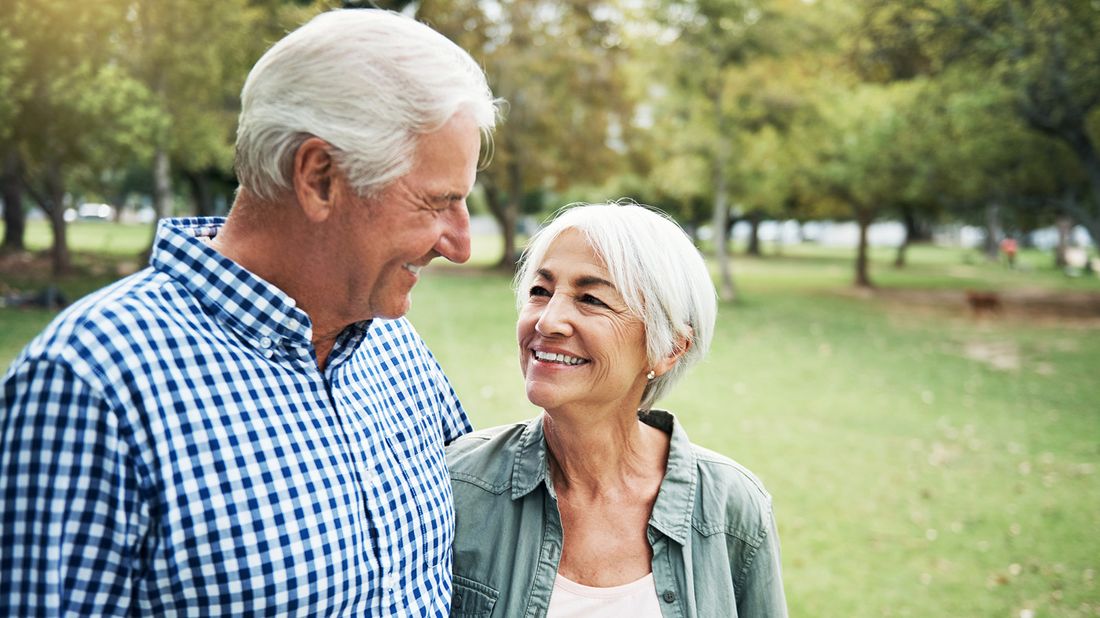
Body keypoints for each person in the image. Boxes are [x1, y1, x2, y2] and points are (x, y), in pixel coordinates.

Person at [0, 9, 500, 615]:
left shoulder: (394, 348)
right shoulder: (89, 382)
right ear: (319, 178)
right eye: (437, 202)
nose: (461, 244)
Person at [448, 202, 788, 617]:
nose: (548, 321)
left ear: (668, 349)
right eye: (541, 291)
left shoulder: (732, 509)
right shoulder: (458, 485)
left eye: (591, 298)